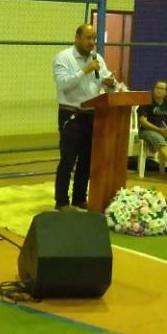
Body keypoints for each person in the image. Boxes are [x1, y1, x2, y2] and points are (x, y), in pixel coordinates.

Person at [53, 24, 119, 211]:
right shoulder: (63, 57)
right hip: (71, 114)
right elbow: (63, 84)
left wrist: (111, 83)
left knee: (86, 160)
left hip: (92, 115)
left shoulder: (97, 58)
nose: (92, 42)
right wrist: (85, 70)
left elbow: (107, 85)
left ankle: (79, 198)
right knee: (68, 160)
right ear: (77, 38)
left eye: (94, 39)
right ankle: (61, 201)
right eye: (88, 38)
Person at [137, 80, 167, 183]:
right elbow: (143, 121)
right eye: (157, 87)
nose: (158, 90)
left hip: (164, 131)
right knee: (159, 139)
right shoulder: (146, 101)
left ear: (166, 92)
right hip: (148, 130)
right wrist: (158, 129)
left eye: (162, 88)